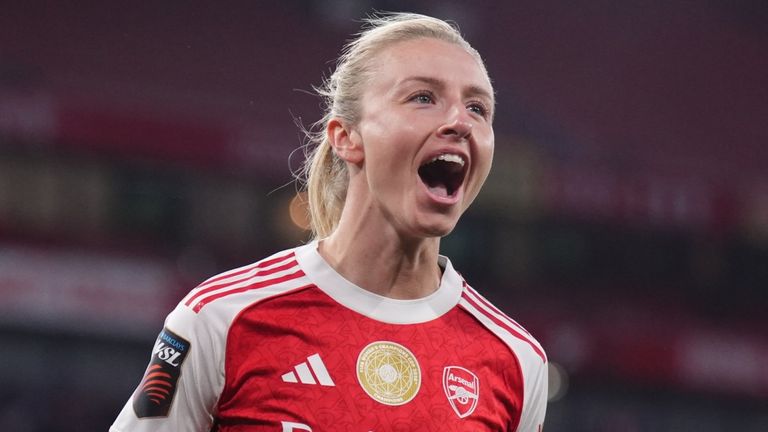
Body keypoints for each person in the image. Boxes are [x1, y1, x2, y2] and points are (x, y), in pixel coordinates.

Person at [111, 12, 547, 432]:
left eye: (477, 108)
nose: (460, 122)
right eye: (423, 98)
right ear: (346, 137)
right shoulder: (224, 319)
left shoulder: (516, 362)